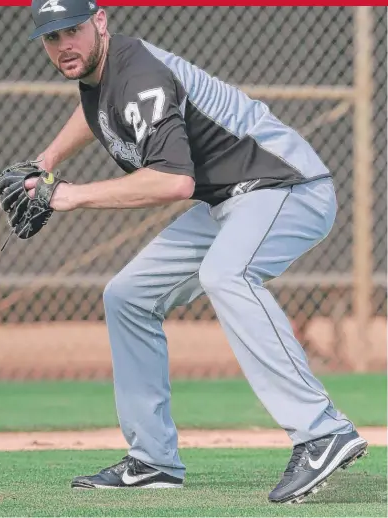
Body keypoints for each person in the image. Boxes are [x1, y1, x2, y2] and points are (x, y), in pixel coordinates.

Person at [27, 0, 368, 503]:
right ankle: (153, 460)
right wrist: (47, 159)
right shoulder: (104, 73)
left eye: (73, 30)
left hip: (286, 185)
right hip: (229, 201)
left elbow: (172, 181)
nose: (64, 46)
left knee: (226, 274)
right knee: (128, 295)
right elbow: (93, 109)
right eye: (52, 37)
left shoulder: (140, 76)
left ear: (101, 21)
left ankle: (321, 431)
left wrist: (70, 195)